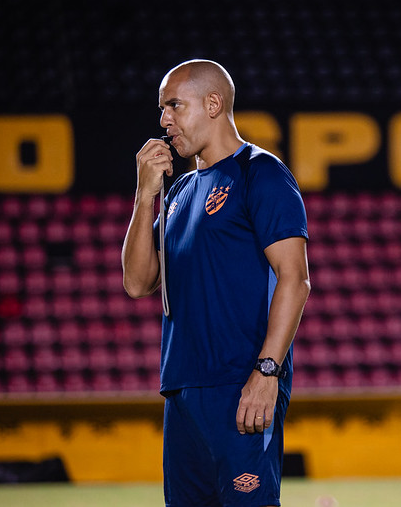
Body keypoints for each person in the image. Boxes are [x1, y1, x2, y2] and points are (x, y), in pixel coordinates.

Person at [121, 59, 310, 507]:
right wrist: (144, 195)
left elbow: (295, 278)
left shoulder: (259, 172)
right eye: (162, 109)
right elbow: (136, 282)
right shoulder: (180, 191)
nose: (164, 120)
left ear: (213, 103)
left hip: (240, 386)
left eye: (174, 105)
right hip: (183, 390)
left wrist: (267, 371)